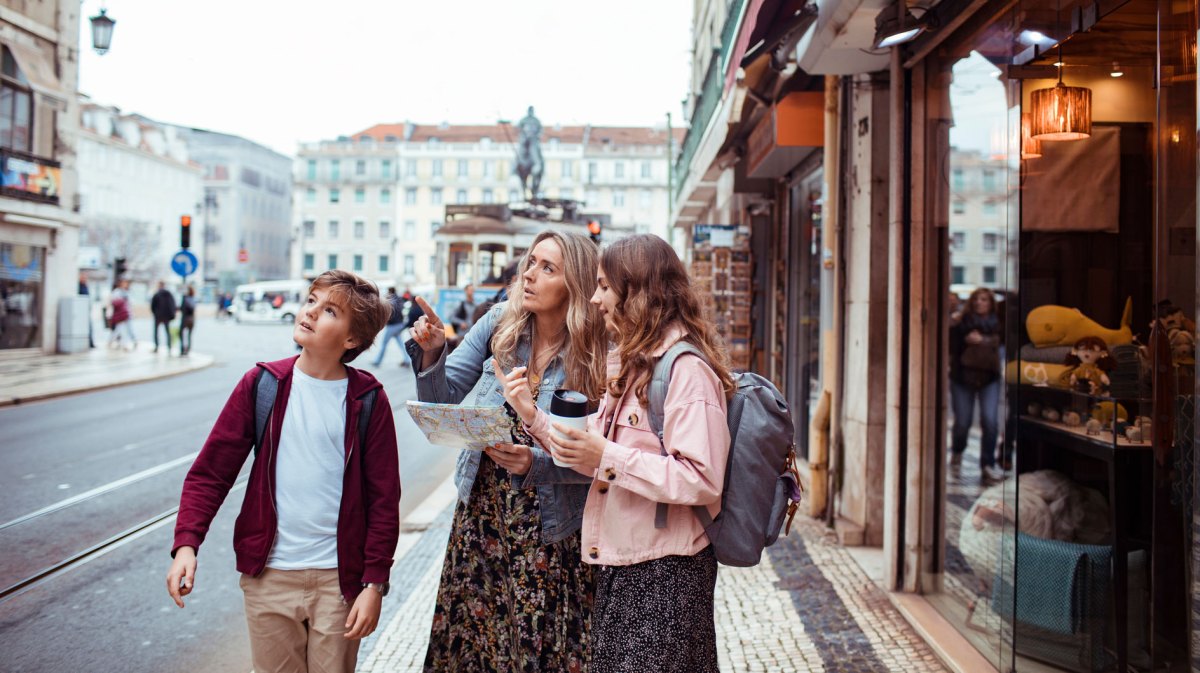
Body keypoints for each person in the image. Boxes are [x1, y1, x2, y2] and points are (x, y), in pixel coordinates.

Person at [165, 269, 400, 673]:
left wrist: (374, 584)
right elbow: (211, 473)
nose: (309, 312)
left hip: (338, 581)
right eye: (311, 300)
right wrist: (187, 543)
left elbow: (384, 501)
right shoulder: (262, 385)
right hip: (269, 576)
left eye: (329, 310)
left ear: (351, 339)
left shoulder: (368, 400)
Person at [406, 230, 608, 672]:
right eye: (531, 262)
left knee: (539, 643)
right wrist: (434, 352)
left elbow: (605, 458)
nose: (530, 275)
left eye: (547, 268)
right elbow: (443, 398)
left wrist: (536, 464)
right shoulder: (501, 321)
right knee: (480, 643)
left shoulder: (595, 350)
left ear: (573, 282)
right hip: (484, 514)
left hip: (552, 526)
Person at [546, 233, 733, 673]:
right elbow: (597, 439)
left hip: (666, 574)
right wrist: (533, 419)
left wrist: (606, 455)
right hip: (628, 564)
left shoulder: (686, 371)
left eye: (605, 287)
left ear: (639, 293)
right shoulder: (637, 364)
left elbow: (702, 479)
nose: (594, 299)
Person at [948, 287, 1003, 481]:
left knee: (990, 420)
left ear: (991, 303)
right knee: (963, 422)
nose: (980, 303)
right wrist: (953, 325)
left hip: (989, 377)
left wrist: (983, 341)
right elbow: (950, 345)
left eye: (985, 300)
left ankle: (988, 464)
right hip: (963, 377)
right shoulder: (961, 322)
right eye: (977, 299)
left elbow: (1004, 341)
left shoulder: (998, 323)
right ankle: (957, 451)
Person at [372, 287, 409, 367]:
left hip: (392, 326)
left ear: (389, 292)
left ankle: (377, 361)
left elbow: (389, 313)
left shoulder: (390, 301)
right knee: (401, 344)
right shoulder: (399, 299)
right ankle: (407, 360)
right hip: (399, 324)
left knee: (384, 344)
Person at [108, 278, 136, 351]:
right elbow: (113, 302)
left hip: (127, 314)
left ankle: (133, 340)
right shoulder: (117, 292)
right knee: (120, 329)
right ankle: (123, 344)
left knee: (126, 329)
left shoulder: (127, 292)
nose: (125, 285)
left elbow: (131, 303)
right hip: (119, 314)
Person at [151, 281, 177, 354]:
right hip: (166, 317)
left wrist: (155, 313)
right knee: (167, 332)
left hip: (158, 316)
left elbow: (152, 306)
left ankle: (156, 347)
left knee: (156, 332)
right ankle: (169, 347)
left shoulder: (157, 294)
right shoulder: (169, 294)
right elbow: (173, 305)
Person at [178, 285, 197, 356]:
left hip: (185, 319)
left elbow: (182, 308)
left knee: (181, 334)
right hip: (192, 319)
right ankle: (188, 349)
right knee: (189, 335)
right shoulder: (193, 299)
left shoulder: (185, 298)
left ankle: (183, 349)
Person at [78, 272, 94, 348]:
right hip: (81, 310)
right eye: (83, 277)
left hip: (86, 310)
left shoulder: (85, 286)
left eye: (85, 278)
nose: (85, 279)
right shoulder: (78, 286)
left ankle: (90, 343)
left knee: (89, 326)